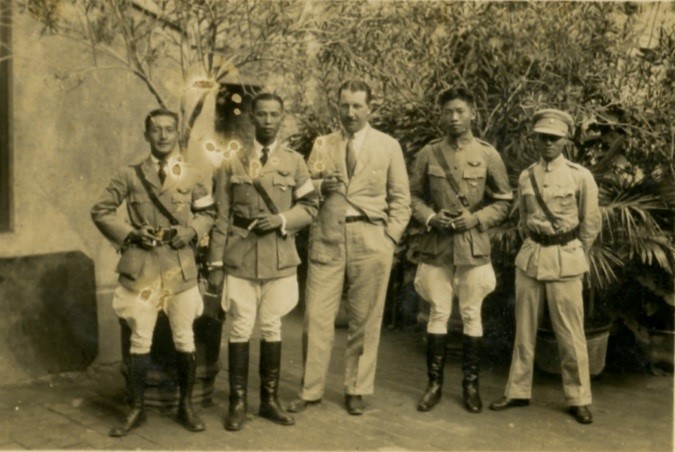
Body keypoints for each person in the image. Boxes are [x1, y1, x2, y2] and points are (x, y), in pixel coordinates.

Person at [287, 80, 411, 416]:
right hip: (328, 236)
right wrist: (319, 184)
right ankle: (310, 390)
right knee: (315, 316)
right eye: (344, 105)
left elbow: (401, 200)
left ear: (370, 107)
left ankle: (356, 388)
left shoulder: (389, 146)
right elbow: (303, 192)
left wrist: (389, 240)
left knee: (365, 318)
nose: (350, 112)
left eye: (357, 106)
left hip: (371, 239)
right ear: (337, 107)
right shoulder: (322, 144)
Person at [91, 108, 215, 436]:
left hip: (179, 265)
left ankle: (185, 406)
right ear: (146, 135)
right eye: (156, 130)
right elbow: (101, 210)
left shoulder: (192, 174)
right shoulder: (129, 175)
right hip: (142, 265)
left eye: (168, 130)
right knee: (140, 338)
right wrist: (130, 234)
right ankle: (136, 408)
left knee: (184, 336)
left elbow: (208, 213)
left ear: (177, 135)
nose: (162, 135)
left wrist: (191, 232)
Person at [207, 92, 319, 431]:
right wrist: (215, 264)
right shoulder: (233, 162)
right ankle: (237, 401)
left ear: (282, 119)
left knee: (272, 326)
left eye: (274, 115)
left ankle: (269, 400)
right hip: (240, 255)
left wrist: (282, 220)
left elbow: (311, 207)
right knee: (240, 326)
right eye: (262, 115)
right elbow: (221, 215)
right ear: (251, 118)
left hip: (279, 256)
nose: (268, 121)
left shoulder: (295, 162)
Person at [489, 109, 601, 424]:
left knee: (570, 333)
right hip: (531, 257)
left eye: (554, 138)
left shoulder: (581, 176)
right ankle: (517, 391)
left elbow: (590, 224)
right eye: (542, 137)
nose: (548, 143)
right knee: (524, 330)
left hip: (565, 258)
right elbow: (524, 222)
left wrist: (574, 251)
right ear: (536, 138)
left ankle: (578, 398)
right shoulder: (527, 177)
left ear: (565, 140)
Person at [409, 87, 513, 414]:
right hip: (437, 244)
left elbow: (505, 201)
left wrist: (476, 218)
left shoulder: (487, 154)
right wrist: (430, 216)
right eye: (448, 112)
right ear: (441, 115)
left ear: (472, 114)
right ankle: (434, 385)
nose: (454, 118)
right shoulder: (428, 154)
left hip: (472, 245)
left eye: (460, 111)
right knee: (438, 311)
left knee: (471, 313)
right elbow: (412, 197)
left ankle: (471, 386)